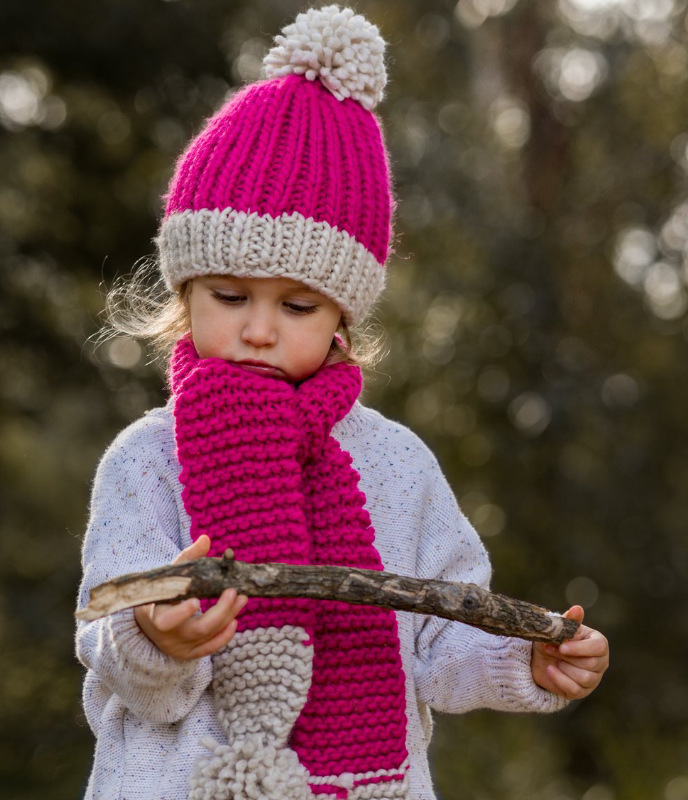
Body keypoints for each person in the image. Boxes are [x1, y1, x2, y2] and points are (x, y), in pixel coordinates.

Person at [75, 6, 609, 800]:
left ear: (341, 317)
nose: (258, 329)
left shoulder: (394, 465)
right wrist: (155, 635)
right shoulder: (148, 459)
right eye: (229, 296)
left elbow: (439, 640)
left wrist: (523, 658)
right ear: (186, 291)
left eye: (297, 307)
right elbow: (109, 637)